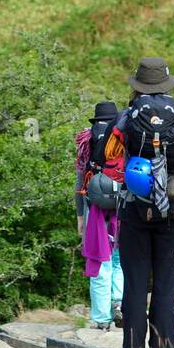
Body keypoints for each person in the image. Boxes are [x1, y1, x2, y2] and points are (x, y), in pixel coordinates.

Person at [109, 57, 174, 348]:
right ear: (166, 84)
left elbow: (103, 156)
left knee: (135, 290)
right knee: (166, 291)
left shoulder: (128, 117)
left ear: (138, 85)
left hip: (133, 214)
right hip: (172, 216)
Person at [74, 100, 123, 329]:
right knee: (119, 259)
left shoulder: (86, 142)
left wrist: (80, 216)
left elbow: (79, 183)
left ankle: (101, 318)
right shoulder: (124, 139)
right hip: (122, 206)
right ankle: (119, 303)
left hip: (94, 209)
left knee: (99, 259)